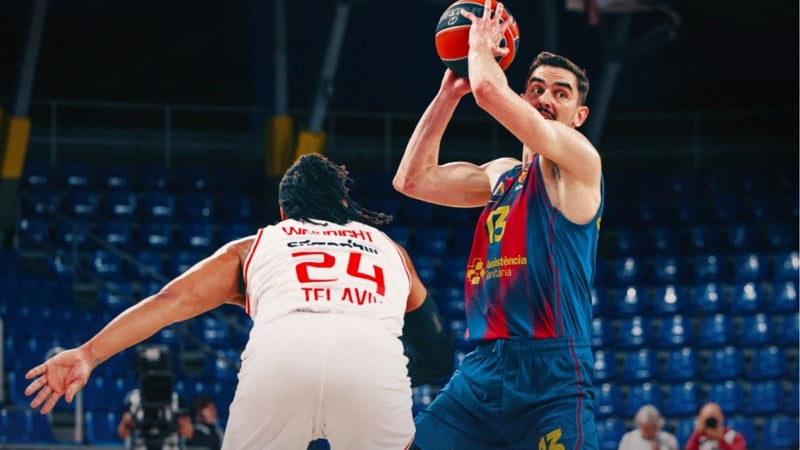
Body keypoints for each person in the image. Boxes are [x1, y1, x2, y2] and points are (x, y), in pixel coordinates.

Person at [24, 153, 453, 450]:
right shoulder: (391, 250)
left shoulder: (254, 246)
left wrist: (89, 353)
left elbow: (170, 301)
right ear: (345, 205)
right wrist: (366, 377)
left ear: (284, 213)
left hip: (281, 362)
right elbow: (437, 355)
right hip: (371, 367)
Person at [393, 1, 603, 448]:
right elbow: (412, 180)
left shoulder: (580, 161)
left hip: (553, 372)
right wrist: (449, 93)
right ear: (523, 98)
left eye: (561, 93)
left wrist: (480, 46)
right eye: (536, 89)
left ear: (578, 116)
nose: (545, 99)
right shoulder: (501, 174)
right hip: (484, 368)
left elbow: (489, 91)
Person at [117, 387, 192, 450]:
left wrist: (183, 424)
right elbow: (122, 434)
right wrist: (126, 423)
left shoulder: (176, 398)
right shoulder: (133, 398)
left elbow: (188, 434)